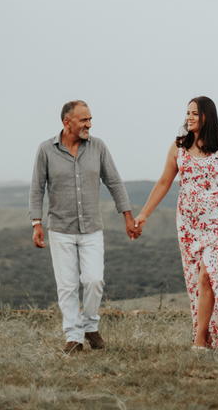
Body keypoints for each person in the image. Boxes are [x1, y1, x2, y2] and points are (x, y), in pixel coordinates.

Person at [134, 96, 218, 348]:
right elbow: (164, 183)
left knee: (208, 275)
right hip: (188, 227)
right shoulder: (179, 147)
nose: (189, 117)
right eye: (187, 113)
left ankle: (200, 340)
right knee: (195, 282)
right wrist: (143, 215)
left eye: (194, 113)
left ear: (207, 116)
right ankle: (208, 335)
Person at [30, 100, 141, 354]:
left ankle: (90, 325)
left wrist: (128, 217)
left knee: (94, 280)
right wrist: (36, 223)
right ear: (67, 122)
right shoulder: (46, 150)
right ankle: (74, 337)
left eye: (90, 119)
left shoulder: (98, 147)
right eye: (84, 120)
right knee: (67, 286)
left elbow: (114, 182)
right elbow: (36, 188)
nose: (89, 124)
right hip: (60, 228)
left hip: (92, 227)